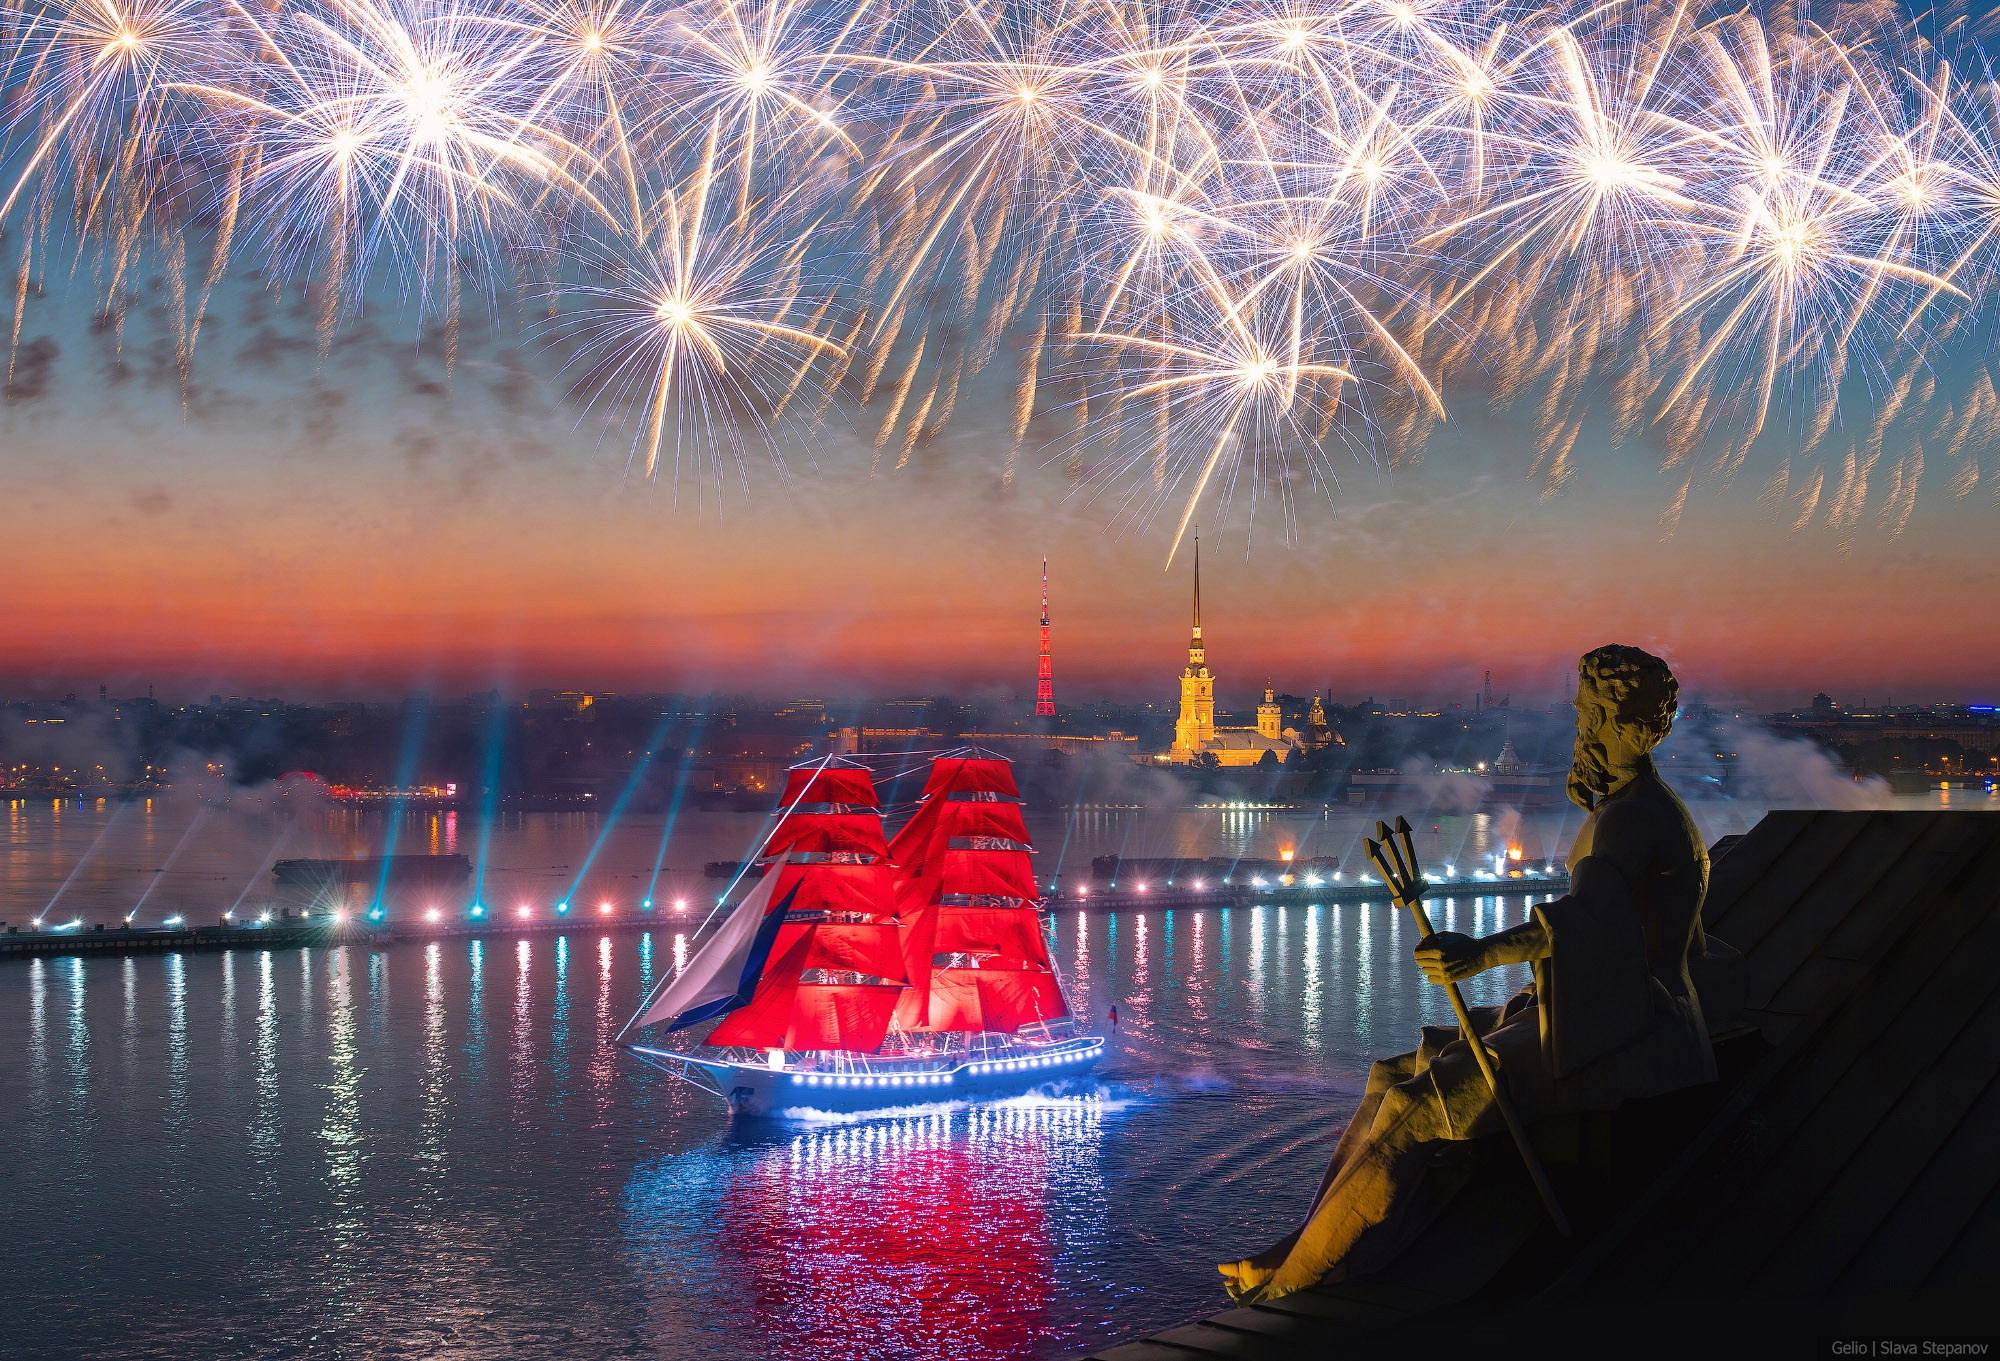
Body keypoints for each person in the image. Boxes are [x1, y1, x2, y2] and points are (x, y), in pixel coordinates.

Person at [1218, 644, 1735, 1303]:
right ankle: (1312, 1241)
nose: (1580, 734)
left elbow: (1587, 917)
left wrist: (1479, 954)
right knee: (1388, 1073)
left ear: (1628, 726)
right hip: (1612, 1012)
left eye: (1591, 720)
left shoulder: (1632, 820)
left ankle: (1293, 1286)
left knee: (1411, 1104)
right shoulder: (1634, 809)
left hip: (1636, 1032)